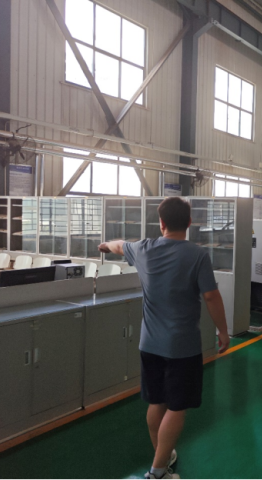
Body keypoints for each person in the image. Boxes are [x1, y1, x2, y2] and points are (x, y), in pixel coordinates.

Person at [98, 197, 230, 480]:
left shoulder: (143, 248)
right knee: (177, 406)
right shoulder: (197, 255)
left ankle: (163, 454)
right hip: (182, 346)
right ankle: (157, 472)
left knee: (156, 402)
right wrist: (222, 330)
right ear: (189, 223)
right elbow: (210, 296)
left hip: (149, 344)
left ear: (161, 223)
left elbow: (119, 245)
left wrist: (105, 245)